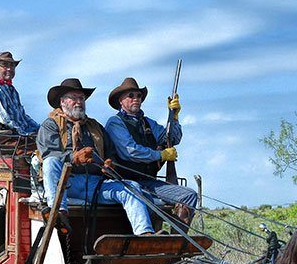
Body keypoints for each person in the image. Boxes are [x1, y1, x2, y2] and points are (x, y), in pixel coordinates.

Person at [36, 78, 154, 235]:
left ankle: (145, 235)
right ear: (62, 102)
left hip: (94, 183)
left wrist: (110, 164)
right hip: (65, 184)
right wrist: (75, 158)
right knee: (50, 162)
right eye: (74, 98)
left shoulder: (95, 126)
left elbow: (111, 152)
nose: (79, 102)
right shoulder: (50, 125)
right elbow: (49, 154)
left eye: (82, 98)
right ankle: (59, 213)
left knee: (132, 188)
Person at [104, 77, 198, 225]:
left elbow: (172, 139)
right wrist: (160, 155)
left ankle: (176, 245)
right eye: (131, 96)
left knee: (189, 196)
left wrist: (174, 116)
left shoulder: (148, 123)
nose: (136, 99)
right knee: (148, 201)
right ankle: (152, 240)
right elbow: (130, 152)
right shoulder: (115, 123)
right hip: (126, 183)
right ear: (120, 101)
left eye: (138, 96)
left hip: (149, 182)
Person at [0, 51, 39, 134]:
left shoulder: (12, 90)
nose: (9, 69)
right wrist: (25, 134)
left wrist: (39, 128)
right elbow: (4, 121)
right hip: (7, 137)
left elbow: (22, 116)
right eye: (5, 65)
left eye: (12, 66)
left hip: (22, 133)